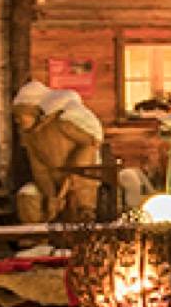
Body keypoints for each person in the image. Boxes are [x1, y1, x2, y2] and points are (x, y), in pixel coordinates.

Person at [16, 78, 108, 222]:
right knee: (28, 197)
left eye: (21, 115)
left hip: (80, 179)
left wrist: (75, 170)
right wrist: (51, 195)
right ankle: (37, 238)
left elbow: (90, 143)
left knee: (77, 208)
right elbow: (39, 170)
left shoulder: (61, 124)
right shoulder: (31, 138)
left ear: (34, 113)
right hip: (55, 182)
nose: (18, 120)